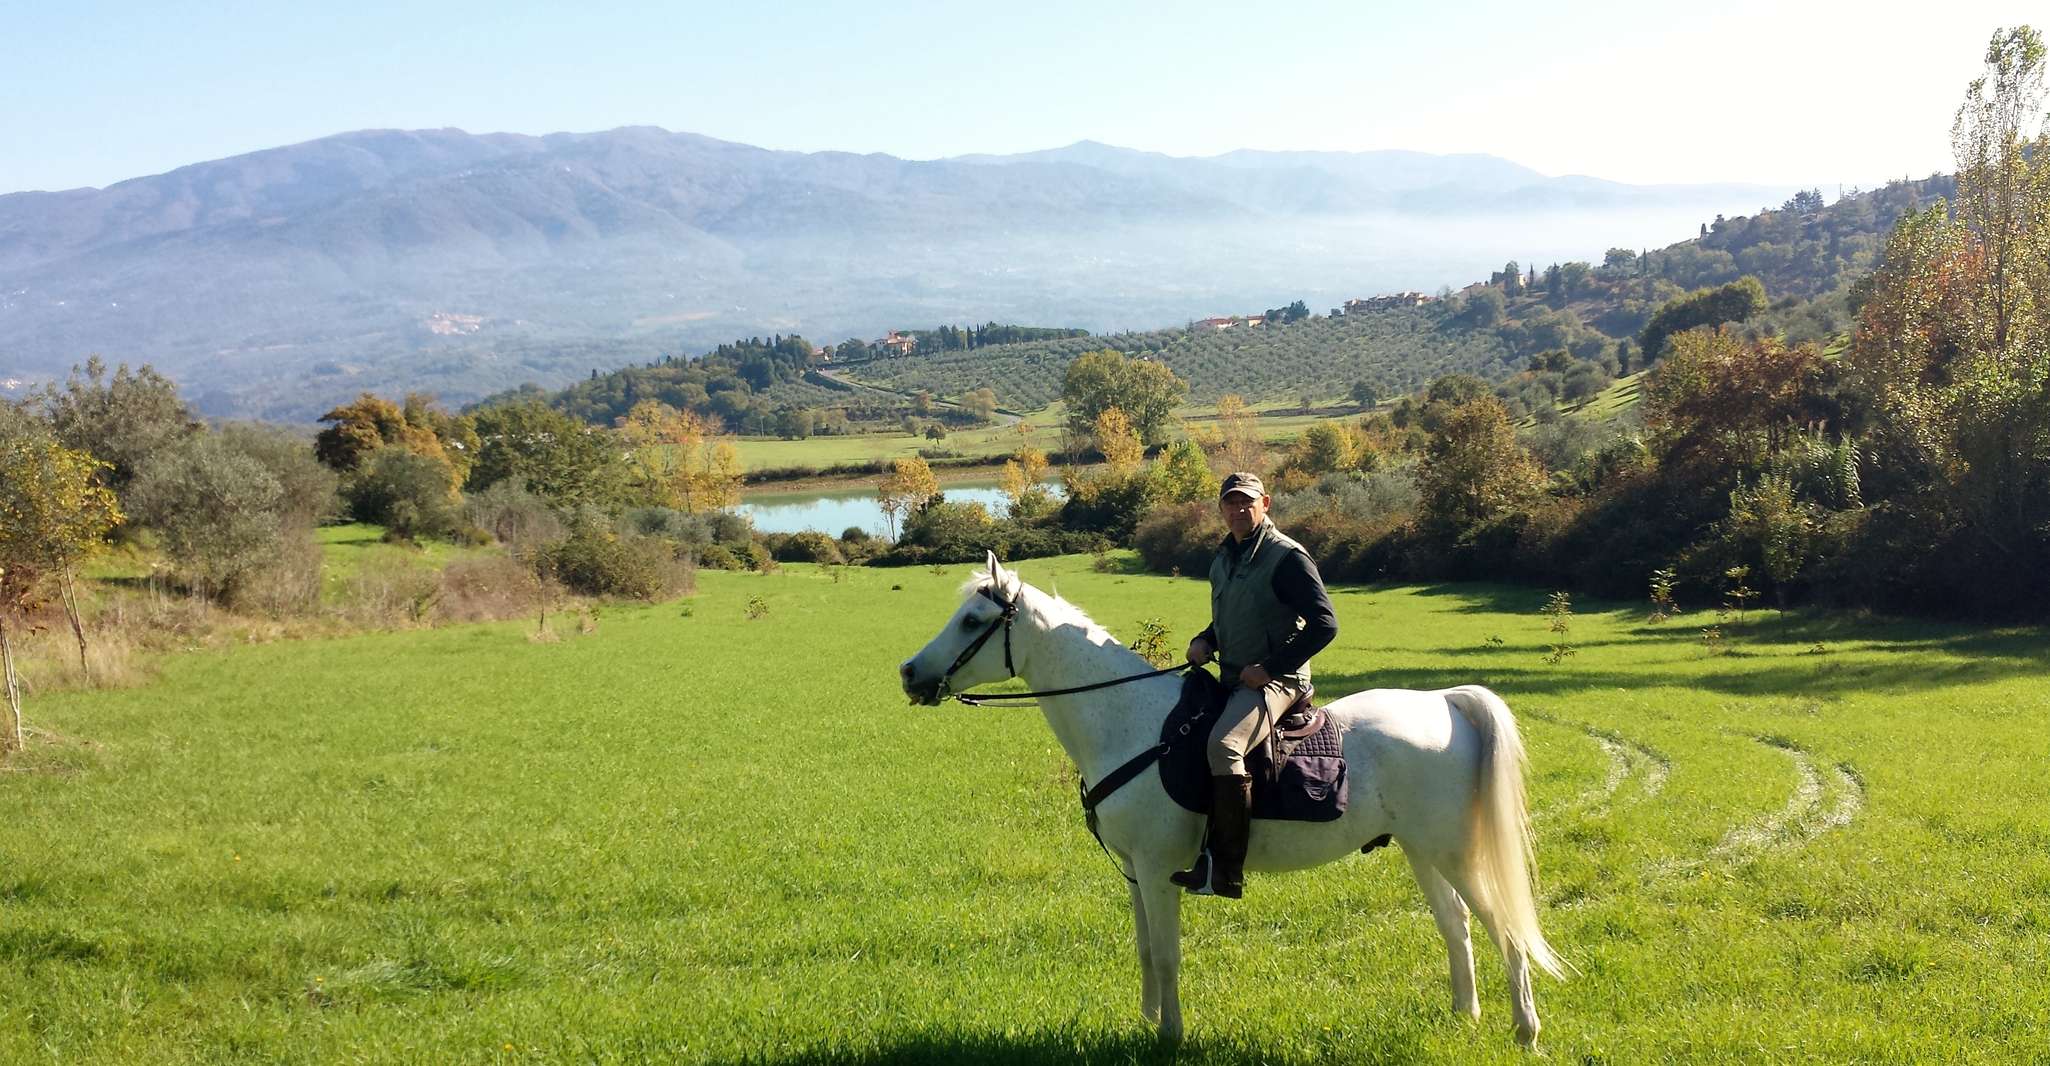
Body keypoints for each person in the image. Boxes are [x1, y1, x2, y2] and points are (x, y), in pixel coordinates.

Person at [1170, 471, 1338, 899]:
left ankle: (1224, 868)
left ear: (1266, 503)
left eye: (1247, 502)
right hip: (1234, 676)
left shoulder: (1286, 557)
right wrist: (1206, 640)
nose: (1239, 510)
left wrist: (1270, 667)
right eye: (1231, 503)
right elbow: (1233, 617)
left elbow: (1325, 624)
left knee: (1224, 746)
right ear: (1221, 508)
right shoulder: (1225, 558)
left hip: (1278, 682)